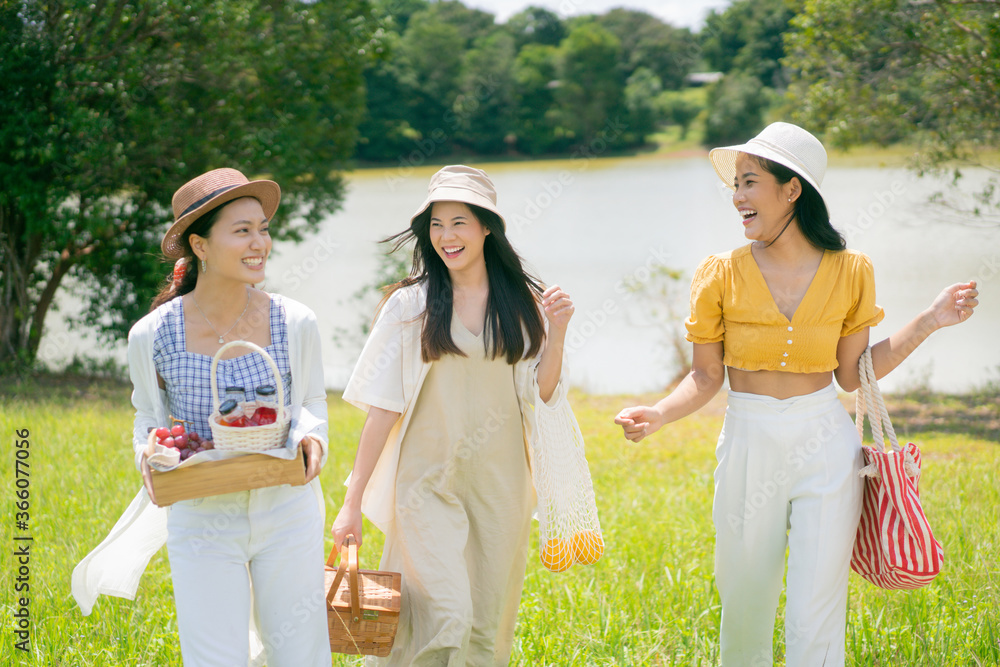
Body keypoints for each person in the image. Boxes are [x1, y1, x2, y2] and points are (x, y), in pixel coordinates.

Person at [614, 123, 979, 667]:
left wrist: (929, 320)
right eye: (734, 185)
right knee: (745, 604)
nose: (737, 197)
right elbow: (707, 376)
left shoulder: (851, 270)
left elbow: (854, 376)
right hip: (747, 441)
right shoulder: (720, 273)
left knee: (817, 609)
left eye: (750, 182)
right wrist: (659, 413)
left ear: (792, 190)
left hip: (825, 444)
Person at [72, 168, 331, 666]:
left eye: (262, 228)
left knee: (300, 654)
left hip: (288, 509)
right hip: (203, 516)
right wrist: (149, 451)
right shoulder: (153, 334)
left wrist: (312, 438)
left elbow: (311, 403)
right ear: (201, 246)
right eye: (242, 230)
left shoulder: (295, 321)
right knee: (215, 658)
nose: (260, 242)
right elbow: (147, 418)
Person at [332, 165, 576, 665]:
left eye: (459, 222)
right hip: (426, 485)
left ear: (487, 226)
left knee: (485, 633)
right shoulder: (411, 306)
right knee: (444, 620)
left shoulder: (523, 306)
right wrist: (350, 502)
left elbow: (542, 394)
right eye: (437, 225)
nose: (447, 236)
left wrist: (558, 331)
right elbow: (382, 408)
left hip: (500, 489)